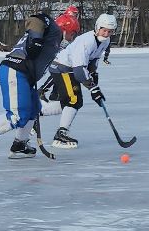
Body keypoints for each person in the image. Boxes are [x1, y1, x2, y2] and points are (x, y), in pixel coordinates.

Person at [0, 9, 63, 159]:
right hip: (16, 69)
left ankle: (20, 144)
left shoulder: (58, 41)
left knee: (33, 109)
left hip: (23, 74)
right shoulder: (54, 29)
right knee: (17, 115)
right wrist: (36, 40)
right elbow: (36, 18)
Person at [43, 14, 116, 148]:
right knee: (74, 100)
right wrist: (92, 88)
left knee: (69, 102)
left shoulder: (105, 41)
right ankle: (61, 134)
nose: (106, 34)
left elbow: (94, 59)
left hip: (71, 68)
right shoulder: (86, 41)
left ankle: (37, 112)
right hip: (62, 67)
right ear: (97, 27)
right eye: (104, 30)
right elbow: (78, 70)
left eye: (110, 31)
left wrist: (93, 76)